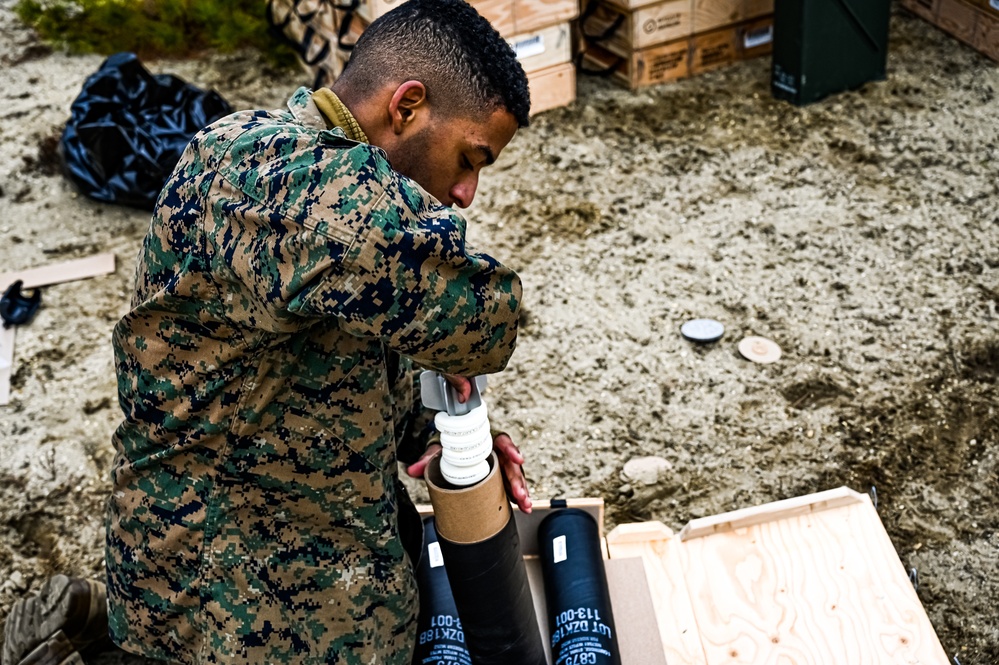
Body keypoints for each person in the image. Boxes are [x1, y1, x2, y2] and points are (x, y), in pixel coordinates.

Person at [2, 1, 533, 663]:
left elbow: (344, 347)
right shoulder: (296, 186)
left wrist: (436, 435)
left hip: (286, 537)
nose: (466, 192)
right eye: (468, 157)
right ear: (407, 105)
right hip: (230, 597)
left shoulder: (292, 169)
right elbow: (486, 320)